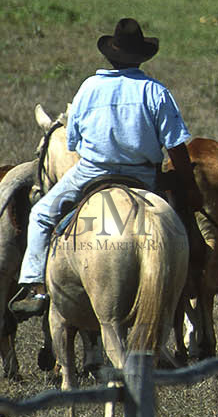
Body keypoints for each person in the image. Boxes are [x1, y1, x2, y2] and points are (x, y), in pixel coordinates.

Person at [9, 18, 198, 318]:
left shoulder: (88, 88)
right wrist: (189, 187)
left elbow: (74, 143)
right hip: (143, 176)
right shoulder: (156, 91)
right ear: (142, 57)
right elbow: (175, 144)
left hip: (91, 172)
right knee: (182, 220)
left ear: (111, 55)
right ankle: (191, 278)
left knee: (43, 214)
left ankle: (35, 286)